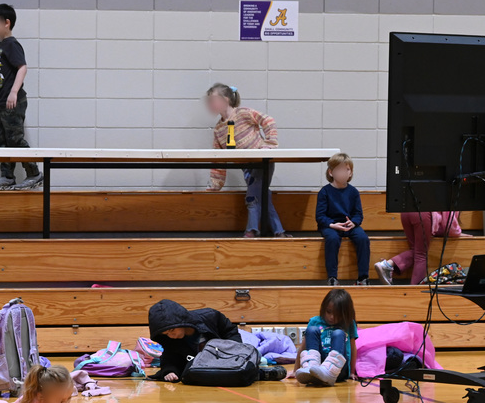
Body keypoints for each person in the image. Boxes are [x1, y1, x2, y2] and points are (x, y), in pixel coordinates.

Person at [205, 83, 291, 238]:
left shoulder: (243, 113)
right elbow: (218, 159)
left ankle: (251, 231)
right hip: (246, 167)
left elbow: (268, 120)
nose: (210, 104)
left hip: (261, 162)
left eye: (213, 100)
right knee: (263, 196)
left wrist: (269, 144)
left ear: (225, 100)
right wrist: (215, 185)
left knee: (252, 197)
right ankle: (280, 232)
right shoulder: (218, 129)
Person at [147, 298, 287, 383]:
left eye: (172, 330)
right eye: (166, 334)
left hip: (225, 356)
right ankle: (257, 375)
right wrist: (169, 371)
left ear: (181, 322)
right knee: (191, 376)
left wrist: (236, 350)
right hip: (198, 369)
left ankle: (261, 374)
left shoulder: (211, 316)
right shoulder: (170, 340)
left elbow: (230, 331)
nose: (170, 336)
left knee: (241, 365)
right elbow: (169, 358)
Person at [0, 3, 42, 190]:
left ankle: (34, 173)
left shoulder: (12, 44)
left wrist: (14, 91)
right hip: (1, 102)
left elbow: (22, 67)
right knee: (3, 141)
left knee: (15, 139)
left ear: (7, 23)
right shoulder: (2, 46)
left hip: (12, 101)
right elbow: (5, 67)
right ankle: (7, 176)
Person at [317, 153, 370, 286]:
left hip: (349, 225)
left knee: (363, 238)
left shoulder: (353, 192)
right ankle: (332, 277)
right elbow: (320, 216)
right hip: (331, 225)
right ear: (331, 172)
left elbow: (358, 214)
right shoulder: (325, 192)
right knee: (333, 239)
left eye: (347, 169)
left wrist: (353, 222)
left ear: (351, 173)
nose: (344, 172)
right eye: (339, 169)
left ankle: (363, 277)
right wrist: (332, 225)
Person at [374, 211, 464, 285]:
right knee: (421, 255)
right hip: (423, 212)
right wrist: (458, 233)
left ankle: (388, 265)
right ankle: (415, 293)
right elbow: (449, 223)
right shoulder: (452, 191)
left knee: (416, 250)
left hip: (406, 212)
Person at [294, 288, 359, 386]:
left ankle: (329, 372)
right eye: (329, 312)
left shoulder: (348, 323)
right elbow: (303, 347)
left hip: (338, 369)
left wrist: (351, 372)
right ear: (323, 308)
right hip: (317, 367)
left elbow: (353, 348)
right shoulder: (315, 321)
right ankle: (311, 367)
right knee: (311, 330)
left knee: (338, 333)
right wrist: (295, 370)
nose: (332, 317)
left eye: (337, 314)